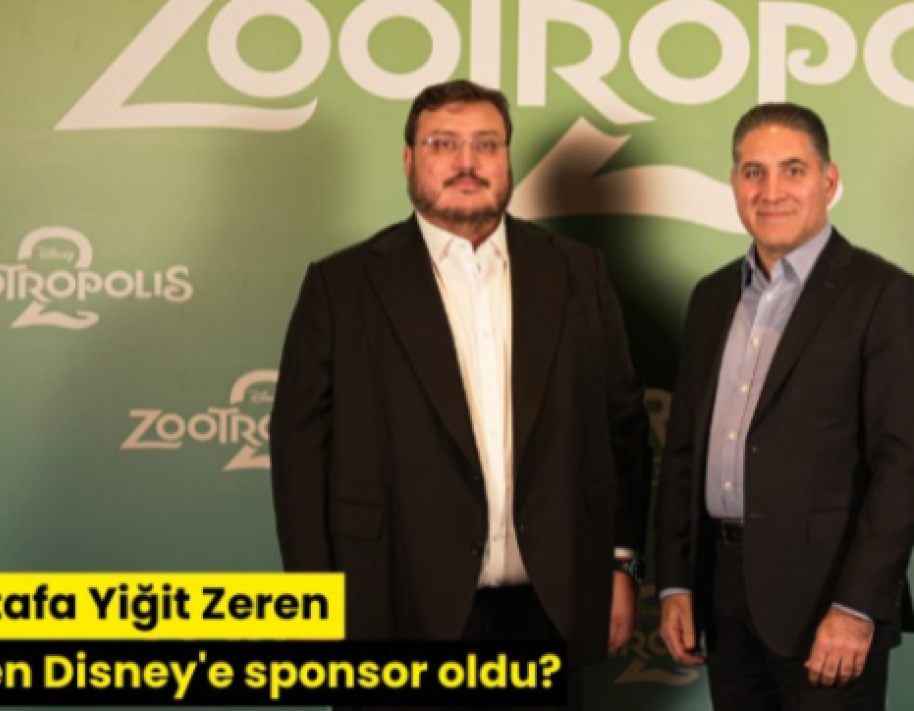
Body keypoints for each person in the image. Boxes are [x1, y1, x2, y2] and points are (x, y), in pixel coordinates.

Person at [270, 79, 650, 709]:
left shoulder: (578, 272)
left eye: (486, 144)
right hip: (392, 611)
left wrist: (623, 566)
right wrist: (313, 610)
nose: (466, 162)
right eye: (443, 143)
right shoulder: (341, 286)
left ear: (508, 158)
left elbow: (624, 430)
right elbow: (300, 462)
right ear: (409, 159)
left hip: (546, 612)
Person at [654, 103, 914, 710]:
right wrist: (675, 581)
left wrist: (857, 606)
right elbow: (683, 454)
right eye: (753, 172)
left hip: (826, 605)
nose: (771, 191)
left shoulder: (884, 295)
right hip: (721, 599)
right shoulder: (711, 297)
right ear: (734, 184)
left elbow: (903, 467)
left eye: (793, 170)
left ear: (829, 182)